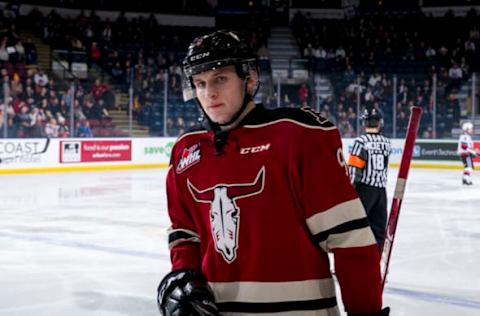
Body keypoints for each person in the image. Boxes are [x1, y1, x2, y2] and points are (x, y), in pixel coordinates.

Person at [157, 30, 389, 316]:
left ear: (249, 79)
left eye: (220, 79)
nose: (209, 93)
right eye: (200, 83)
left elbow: (350, 242)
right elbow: (184, 234)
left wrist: (365, 310)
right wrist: (185, 279)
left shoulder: (299, 136)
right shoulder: (186, 151)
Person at [347, 108, 392, 251]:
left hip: (365, 191)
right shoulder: (386, 143)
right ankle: (375, 261)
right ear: (380, 123)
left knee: (358, 227)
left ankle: (358, 259)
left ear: (364, 123)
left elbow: (354, 170)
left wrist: (350, 190)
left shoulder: (361, 142)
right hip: (381, 192)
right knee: (378, 230)